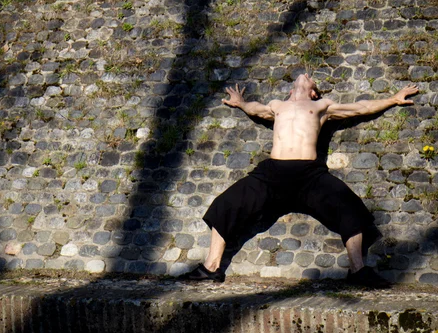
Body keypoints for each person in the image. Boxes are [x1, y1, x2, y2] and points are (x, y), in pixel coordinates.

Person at [178, 74, 419, 288]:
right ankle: (211, 268)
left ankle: (357, 270)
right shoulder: (277, 105)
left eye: (312, 80)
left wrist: (393, 99)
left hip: (308, 174)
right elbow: (256, 109)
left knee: (351, 208)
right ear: (291, 89)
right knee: (226, 204)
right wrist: (240, 103)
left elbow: (360, 107)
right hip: (272, 173)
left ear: (313, 91)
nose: (306, 75)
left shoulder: (321, 105)